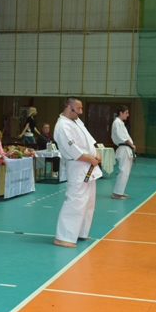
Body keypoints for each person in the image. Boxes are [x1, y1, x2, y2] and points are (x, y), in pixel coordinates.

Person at [53, 97, 102, 248]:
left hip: (88, 165)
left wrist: (96, 153)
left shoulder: (76, 121)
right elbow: (74, 151)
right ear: (69, 107)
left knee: (88, 201)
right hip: (78, 166)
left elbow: (89, 141)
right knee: (75, 200)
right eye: (78, 108)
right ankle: (63, 237)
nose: (80, 112)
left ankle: (80, 232)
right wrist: (91, 158)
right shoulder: (62, 126)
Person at [111, 106, 135, 199]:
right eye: (126, 113)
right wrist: (131, 144)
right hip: (124, 149)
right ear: (120, 113)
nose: (128, 115)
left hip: (126, 149)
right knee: (123, 172)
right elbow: (121, 136)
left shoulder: (120, 123)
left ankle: (119, 191)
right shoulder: (117, 122)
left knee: (125, 172)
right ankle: (116, 193)